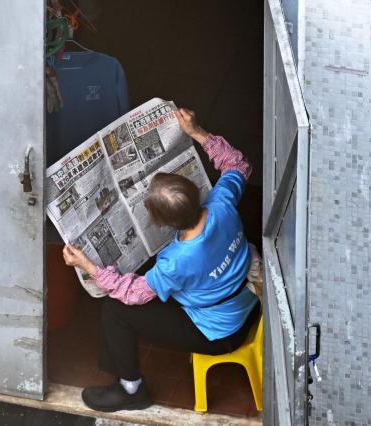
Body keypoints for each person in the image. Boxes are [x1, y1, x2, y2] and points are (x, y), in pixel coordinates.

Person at [62, 108, 261, 412]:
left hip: (220, 332)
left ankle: (131, 390)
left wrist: (87, 266)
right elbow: (237, 163)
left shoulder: (175, 262)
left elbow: (131, 294)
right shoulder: (221, 203)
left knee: (116, 308)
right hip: (246, 301)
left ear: (167, 223)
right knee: (139, 285)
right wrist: (196, 131)